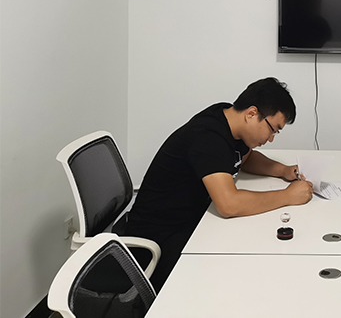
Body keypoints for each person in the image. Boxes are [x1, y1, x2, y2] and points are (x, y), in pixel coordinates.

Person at [123, 78, 313, 291]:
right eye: (273, 130)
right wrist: (287, 196)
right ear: (251, 113)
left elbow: (245, 158)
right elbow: (229, 204)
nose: (271, 139)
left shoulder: (229, 118)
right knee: (242, 268)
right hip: (159, 239)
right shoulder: (208, 138)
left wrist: (283, 170)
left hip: (194, 221)